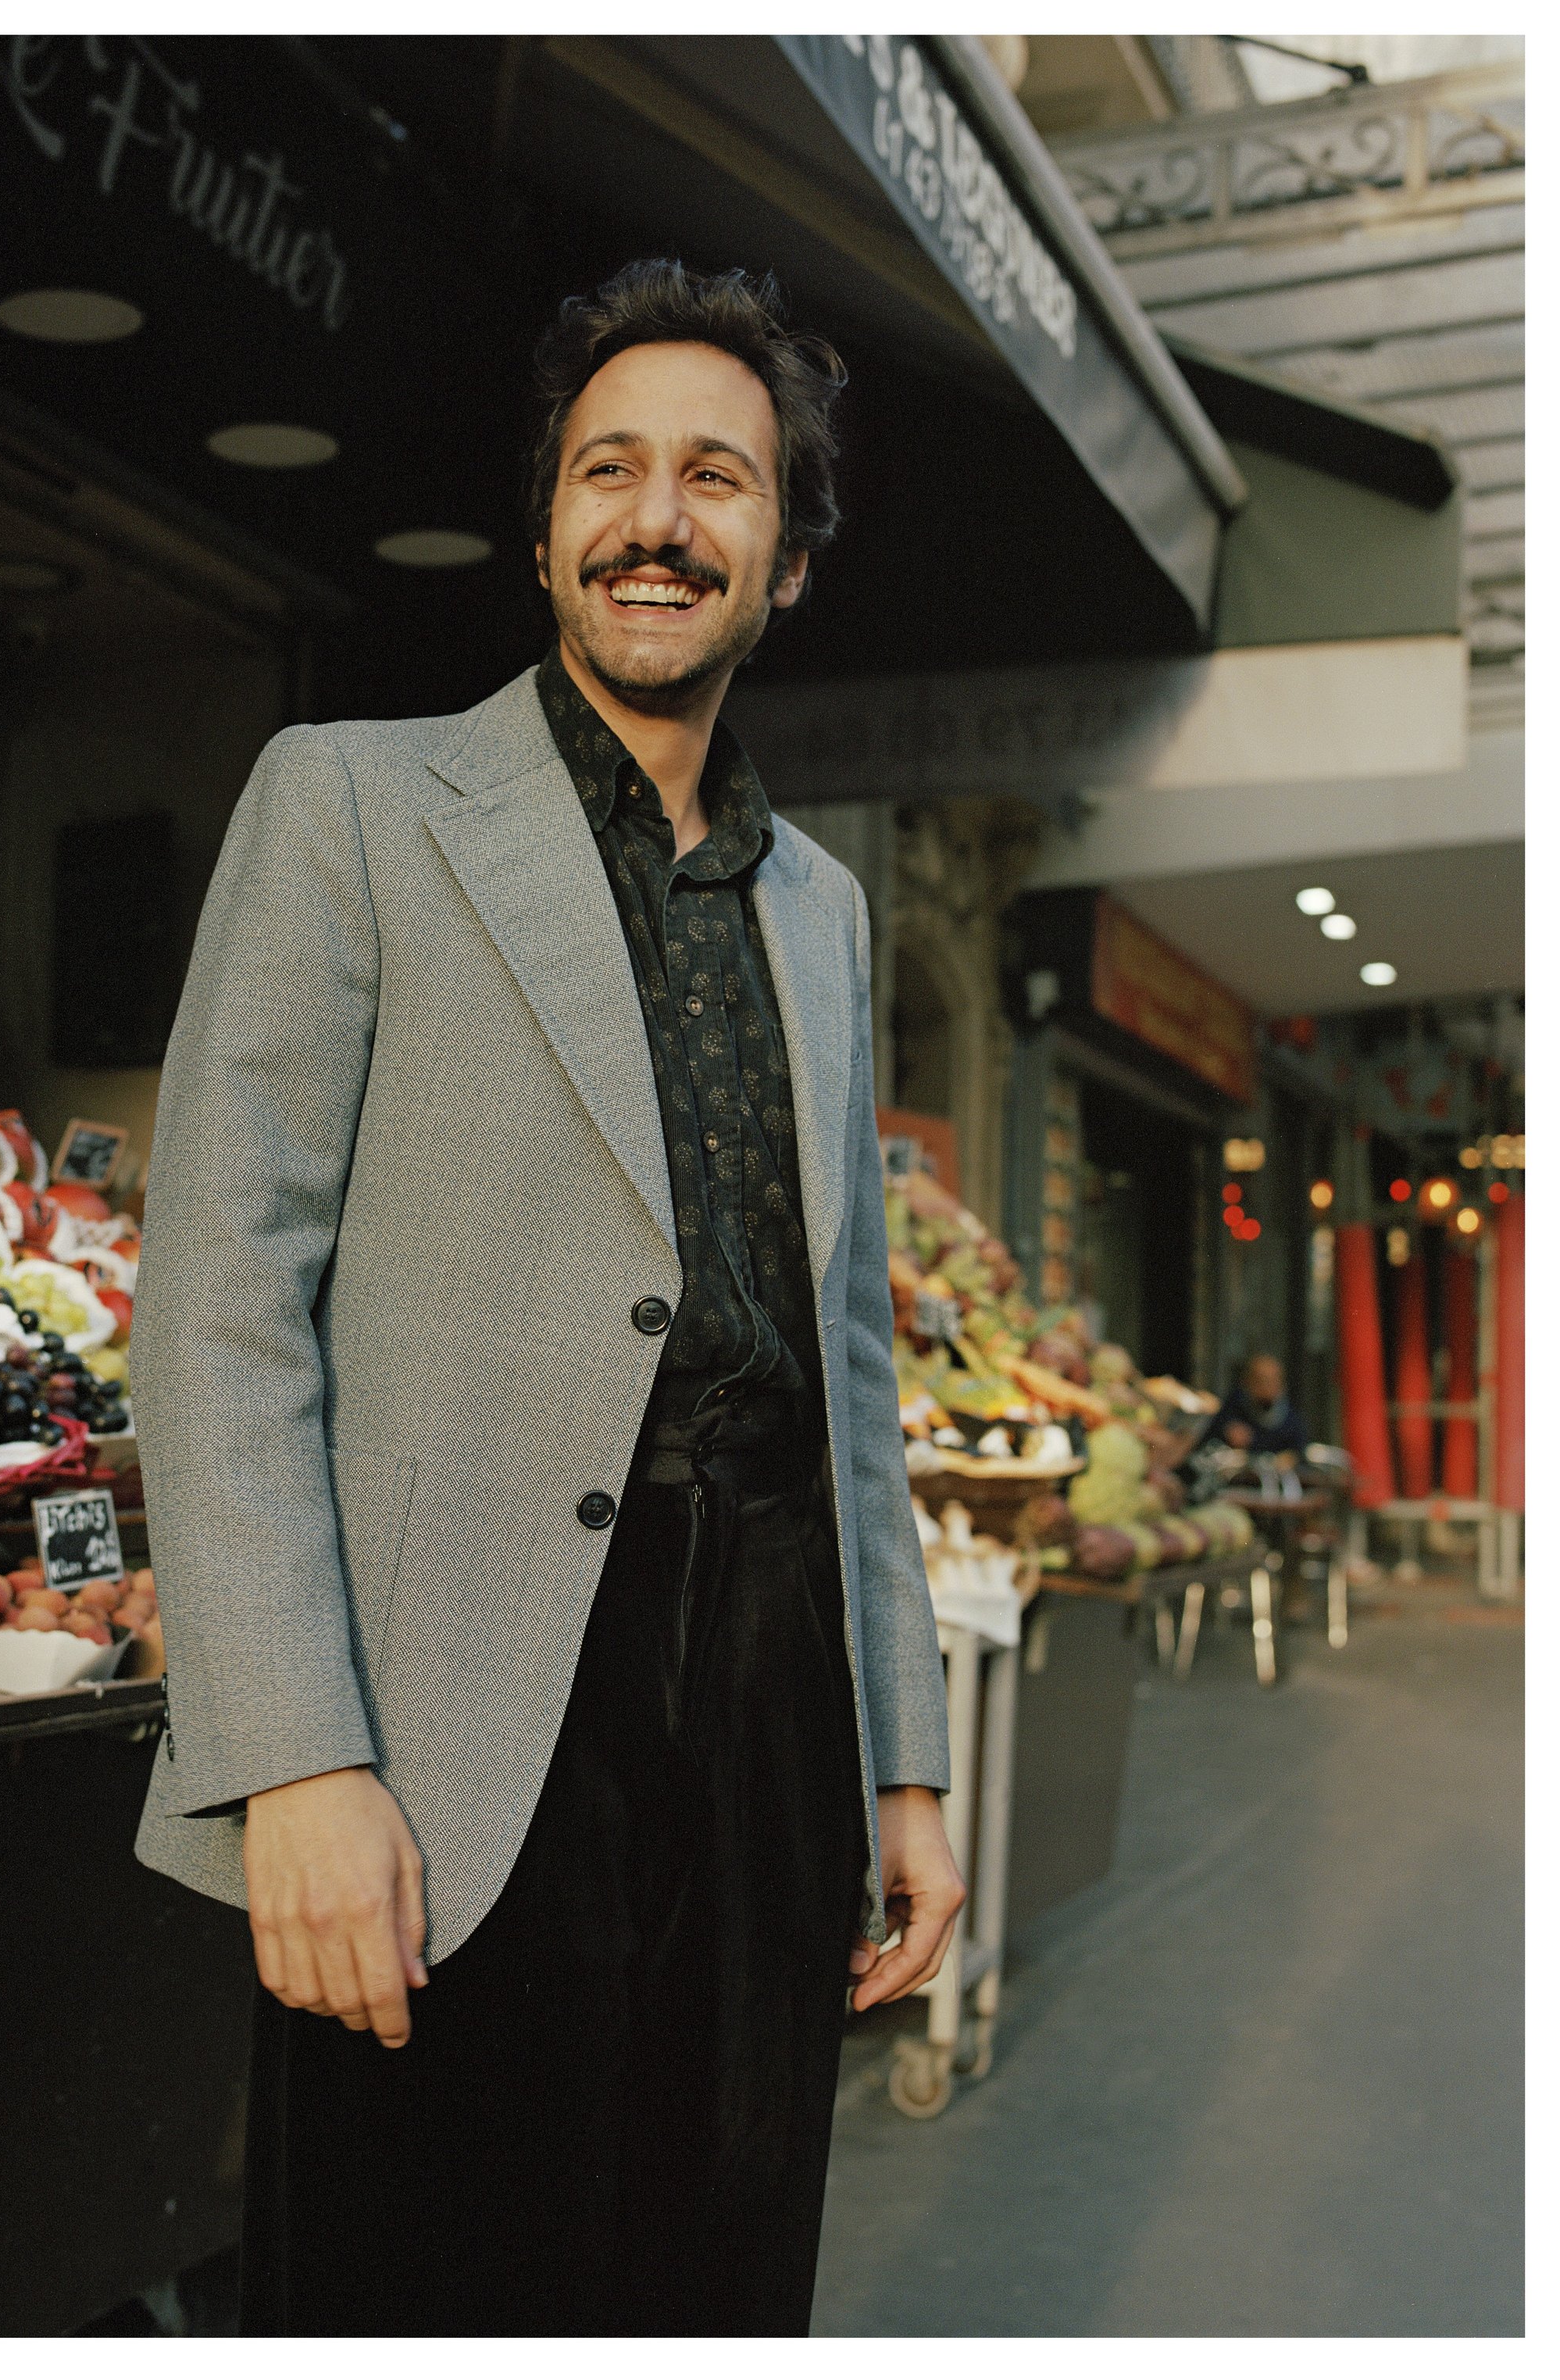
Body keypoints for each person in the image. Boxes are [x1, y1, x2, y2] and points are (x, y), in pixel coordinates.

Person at [130, 258, 960, 2339]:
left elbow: (848, 1368)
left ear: (785, 557)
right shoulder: (351, 803)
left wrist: (902, 1757)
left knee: (719, 2274)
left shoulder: (824, 908)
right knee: (424, 2284)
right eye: (607, 470)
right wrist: (291, 1758)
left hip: (769, 1692)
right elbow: (219, 1304)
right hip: (456, 1716)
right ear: (541, 531)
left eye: (714, 478)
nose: (653, 518)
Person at [1203, 1353, 1309, 1458]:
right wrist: (1227, 1430)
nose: (1267, 1387)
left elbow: (1299, 1452)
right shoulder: (1233, 1405)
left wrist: (1290, 1457)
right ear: (1247, 1382)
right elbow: (1208, 1440)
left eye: (1273, 1381)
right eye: (1260, 1381)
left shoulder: (1290, 1420)